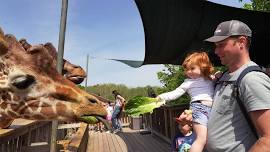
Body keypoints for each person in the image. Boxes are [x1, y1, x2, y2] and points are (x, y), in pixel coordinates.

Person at [204, 20, 270, 151]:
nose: (216, 51)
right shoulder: (224, 76)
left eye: (221, 45)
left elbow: (268, 139)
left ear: (241, 42)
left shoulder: (251, 79)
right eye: (216, 46)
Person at [156, 51, 215, 152]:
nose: (189, 72)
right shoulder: (188, 83)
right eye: (187, 69)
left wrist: (218, 75)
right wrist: (161, 97)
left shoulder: (209, 79)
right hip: (198, 109)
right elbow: (175, 93)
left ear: (203, 67)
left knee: (210, 139)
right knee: (201, 139)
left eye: (192, 68)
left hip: (212, 109)